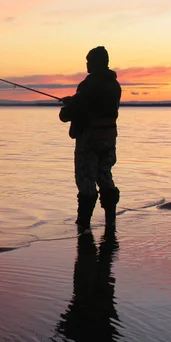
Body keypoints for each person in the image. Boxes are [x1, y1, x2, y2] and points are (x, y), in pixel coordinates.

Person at [59, 46, 122, 229]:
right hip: (109, 138)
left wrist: (66, 109)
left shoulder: (89, 84)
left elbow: (76, 110)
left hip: (89, 139)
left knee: (86, 180)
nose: (86, 64)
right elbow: (93, 104)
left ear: (96, 63)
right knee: (105, 176)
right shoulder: (114, 85)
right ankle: (111, 220)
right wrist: (75, 100)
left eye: (88, 61)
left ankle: (83, 225)